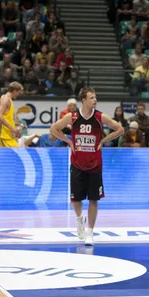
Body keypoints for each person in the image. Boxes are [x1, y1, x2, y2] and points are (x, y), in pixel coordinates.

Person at [50, 87, 124, 246]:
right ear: (83, 100)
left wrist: (104, 141)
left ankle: (90, 232)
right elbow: (54, 129)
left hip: (94, 165)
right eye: (91, 98)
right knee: (75, 200)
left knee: (93, 200)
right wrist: (69, 141)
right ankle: (79, 220)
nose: (95, 100)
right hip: (77, 164)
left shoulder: (99, 117)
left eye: (95, 97)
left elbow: (120, 129)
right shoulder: (73, 116)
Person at [0, 82, 24, 147]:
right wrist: (12, 129)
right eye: (18, 92)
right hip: (4, 136)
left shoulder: (9, 100)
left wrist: (15, 124)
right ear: (14, 91)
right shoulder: (5, 99)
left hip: (9, 136)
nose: (18, 95)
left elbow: (6, 117)